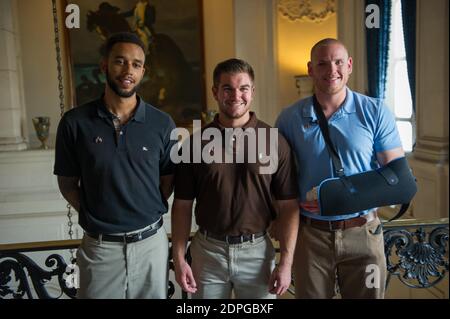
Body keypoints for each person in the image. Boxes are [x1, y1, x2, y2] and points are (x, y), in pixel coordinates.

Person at [276, 38, 405, 299]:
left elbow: (397, 179)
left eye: (337, 62)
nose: (331, 70)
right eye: (322, 64)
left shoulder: (375, 111)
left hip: (364, 235)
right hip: (311, 236)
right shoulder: (289, 118)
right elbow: (279, 179)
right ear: (311, 69)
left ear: (349, 65)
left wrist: (342, 199)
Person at [54, 32, 176, 299]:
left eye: (135, 64)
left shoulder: (163, 123)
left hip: (150, 245)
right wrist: (97, 210)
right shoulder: (75, 123)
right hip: (100, 248)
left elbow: (167, 181)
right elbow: (66, 184)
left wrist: (140, 207)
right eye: (120, 61)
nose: (127, 70)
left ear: (143, 71)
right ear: (104, 66)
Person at [171, 58, 299, 299]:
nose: (235, 95)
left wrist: (286, 262)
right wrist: (179, 259)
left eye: (243, 88)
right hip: (207, 253)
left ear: (252, 92)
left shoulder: (274, 140)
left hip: (258, 253)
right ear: (215, 92)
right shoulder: (195, 143)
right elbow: (182, 206)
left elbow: (289, 205)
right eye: (227, 88)